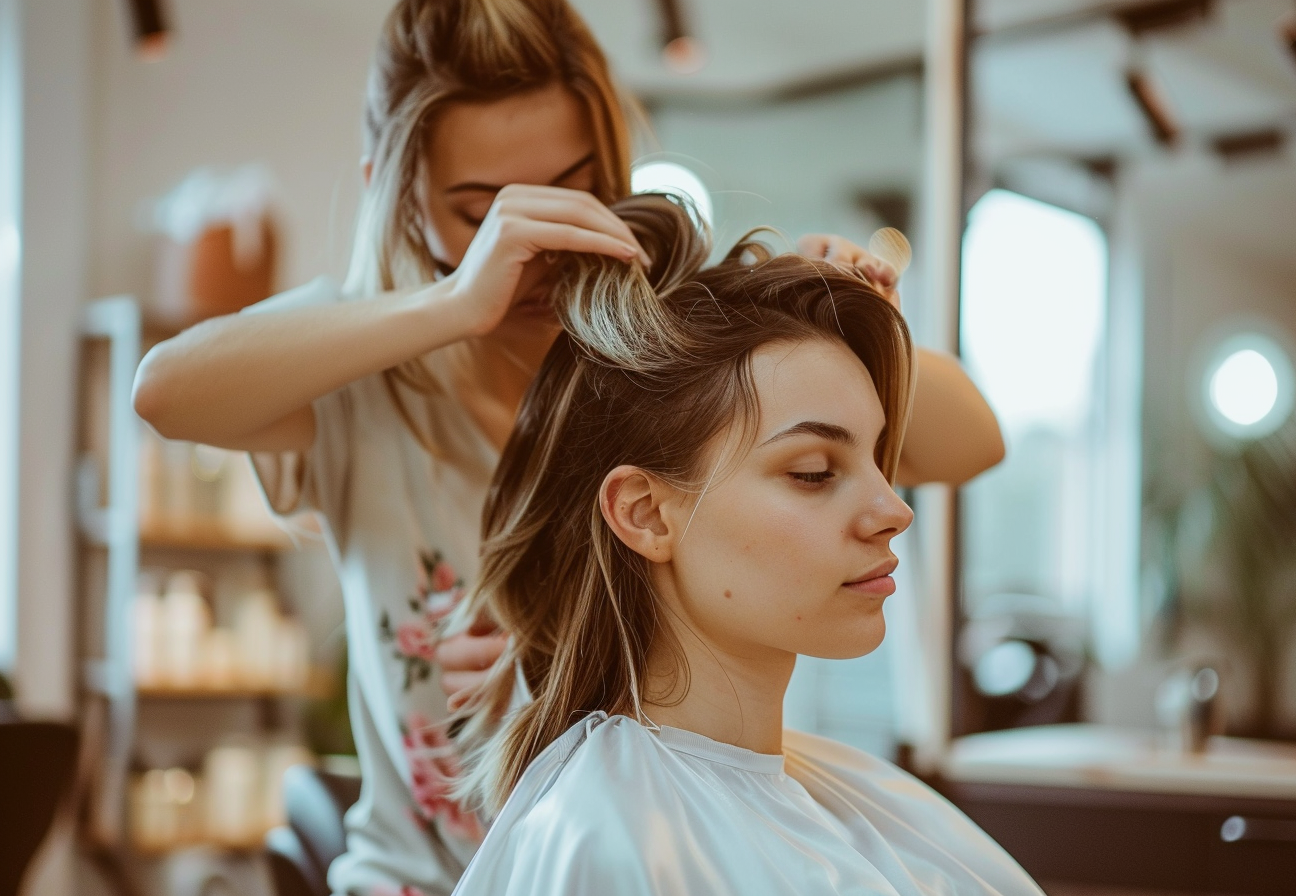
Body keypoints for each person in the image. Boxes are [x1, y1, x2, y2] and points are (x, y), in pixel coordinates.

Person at [132, 1, 1004, 893]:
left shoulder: (653, 363)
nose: (538, 244)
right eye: (481, 213)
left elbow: (972, 440)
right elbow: (164, 390)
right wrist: (454, 306)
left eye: (573, 185)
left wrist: (837, 328)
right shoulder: (362, 382)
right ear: (397, 196)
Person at [446, 193, 1040, 895]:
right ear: (647, 515)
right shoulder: (605, 841)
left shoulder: (850, 800)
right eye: (813, 473)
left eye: (882, 459)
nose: (892, 509)